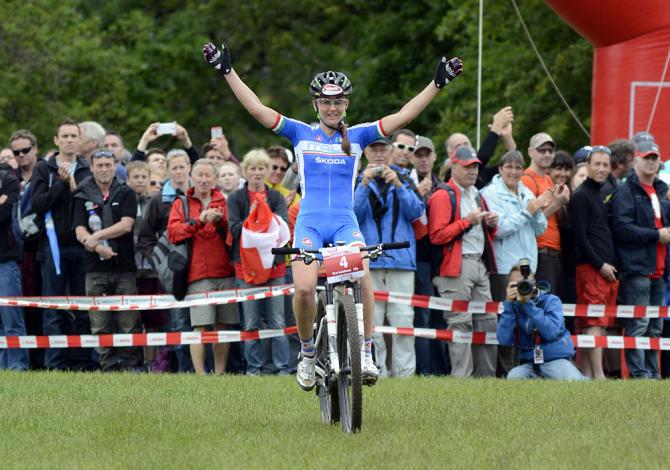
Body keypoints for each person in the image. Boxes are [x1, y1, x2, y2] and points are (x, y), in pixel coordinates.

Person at [203, 39, 463, 389]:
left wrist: (436, 84)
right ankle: (308, 353)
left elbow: (403, 116)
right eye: (326, 102)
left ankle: (366, 351)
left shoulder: (359, 135)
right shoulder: (300, 132)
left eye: (338, 102)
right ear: (316, 104)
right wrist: (228, 71)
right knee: (304, 290)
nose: (331, 108)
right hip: (310, 223)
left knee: (363, 277)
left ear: (346, 104)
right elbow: (257, 110)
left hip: (343, 223)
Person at [354, 137, 424, 377]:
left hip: (400, 260)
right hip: (369, 260)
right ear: (365, 153)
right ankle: (377, 371)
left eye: (383, 149)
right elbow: (351, 215)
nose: (379, 154)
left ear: (390, 151)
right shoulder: (356, 180)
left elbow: (416, 211)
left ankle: (405, 375)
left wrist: (398, 185)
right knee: (371, 321)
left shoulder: (404, 178)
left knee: (403, 320)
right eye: (373, 149)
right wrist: (364, 185)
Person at [428, 146, 499, 378]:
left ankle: (485, 379)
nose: (473, 171)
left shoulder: (477, 194)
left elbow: (485, 235)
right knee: (460, 323)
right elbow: (436, 236)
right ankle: (463, 379)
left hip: (479, 263)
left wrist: (491, 224)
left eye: (475, 166)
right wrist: (467, 222)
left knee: (487, 321)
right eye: (468, 166)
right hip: (455, 267)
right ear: (454, 167)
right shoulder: (443, 195)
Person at [31, 119, 93, 371]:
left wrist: (73, 185)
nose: (69, 140)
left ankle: (82, 362)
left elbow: (90, 204)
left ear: (79, 140)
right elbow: (37, 205)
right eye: (64, 136)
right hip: (51, 247)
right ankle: (55, 363)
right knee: (53, 308)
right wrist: (59, 182)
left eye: (73, 136)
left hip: (82, 247)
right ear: (56, 140)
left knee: (82, 308)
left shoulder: (87, 169)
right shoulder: (43, 168)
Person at [167, 159, 238, 375]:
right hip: (197, 274)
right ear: (192, 177)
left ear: (215, 179)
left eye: (208, 175)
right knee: (200, 326)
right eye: (200, 175)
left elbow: (234, 235)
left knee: (223, 326)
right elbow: (173, 234)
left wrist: (220, 222)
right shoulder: (182, 203)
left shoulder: (225, 201)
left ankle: (220, 373)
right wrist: (199, 220)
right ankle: (200, 375)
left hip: (225, 272)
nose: (204, 180)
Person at [72, 148, 141, 371]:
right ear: (92, 168)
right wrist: (96, 246)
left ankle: (131, 367)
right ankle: (107, 368)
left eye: (108, 165)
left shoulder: (126, 192)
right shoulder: (82, 194)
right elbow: (79, 229)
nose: (104, 169)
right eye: (99, 165)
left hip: (124, 268)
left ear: (115, 167)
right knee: (100, 324)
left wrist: (96, 237)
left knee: (129, 323)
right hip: (94, 269)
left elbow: (126, 225)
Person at [480, 150, 548, 376]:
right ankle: (505, 371)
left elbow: (541, 228)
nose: (514, 172)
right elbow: (500, 230)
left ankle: (524, 367)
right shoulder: (489, 193)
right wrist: (528, 212)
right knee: (506, 319)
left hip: (528, 266)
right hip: (505, 267)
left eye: (518, 167)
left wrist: (536, 211)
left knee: (526, 318)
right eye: (509, 167)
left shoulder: (525, 190)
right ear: (500, 169)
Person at [227, 149, 291, 375]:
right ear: (245, 171)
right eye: (252, 168)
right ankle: (254, 370)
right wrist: (252, 218)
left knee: (277, 321)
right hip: (246, 269)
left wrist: (264, 216)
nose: (257, 173)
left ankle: (282, 369)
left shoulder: (276, 198)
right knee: (251, 322)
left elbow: (283, 228)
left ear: (267, 171)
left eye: (261, 168)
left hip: (275, 268)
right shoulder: (236, 198)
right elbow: (234, 229)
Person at [609, 140, 669, 379]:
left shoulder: (661, 191)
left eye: (654, 158)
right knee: (639, 324)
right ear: (635, 161)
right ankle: (640, 375)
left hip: (659, 270)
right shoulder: (625, 192)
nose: (651, 162)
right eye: (646, 157)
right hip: (637, 270)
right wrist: (656, 235)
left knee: (655, 326)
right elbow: (622, 229)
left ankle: (651, 374)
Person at [138, 149, 194, 372]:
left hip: (199, 267)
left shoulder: (199, 194)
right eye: (174, 168)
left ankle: (200, 369)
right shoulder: (159, 200)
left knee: (200, 322)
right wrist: (158, 263)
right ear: (167, 171)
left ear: (189, 167)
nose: (179, 171)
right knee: (178, 322)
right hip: (173, 271)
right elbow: (145, 237)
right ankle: (181, 369)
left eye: (182, 167)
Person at [569, 146, 618, 379]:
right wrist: (600, 264)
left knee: (600, 321)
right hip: (592, 269)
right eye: (597, 164)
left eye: (605, 165)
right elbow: (580, 237)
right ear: (587, 166)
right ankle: (599, 375)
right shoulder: (580, 196)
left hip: (604, 269)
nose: (601, 169)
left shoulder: (600, 193)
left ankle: (588, 373)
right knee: (594, 321)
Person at [497, 262, 586, 380]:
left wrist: (528, 305)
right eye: (515, 285)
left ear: (534, 285)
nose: (521, 288)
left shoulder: (551, 301)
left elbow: (551, 332)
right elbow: (503, 340)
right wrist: (508, 305)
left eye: (524, 284)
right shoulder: (513, 307)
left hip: (555, 359)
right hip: (530, 363)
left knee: (569, 379)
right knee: (513, 377)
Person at [410, 135, 450, 375]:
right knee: (421, 317)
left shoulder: (442, 186)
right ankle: (423, 370)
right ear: (412, 158)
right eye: (419, 155)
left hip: (440, 261)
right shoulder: (406, 182)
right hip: (417, 260)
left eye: (427, 155)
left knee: (439, 316)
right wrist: (416, 194)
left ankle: (440, 370)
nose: (423, 160)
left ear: (435, 157)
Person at [520, 133, 569, 294]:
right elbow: (530, 222)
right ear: (531, 152)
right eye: (542, 150)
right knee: (543, 301)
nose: (547, 154)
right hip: (540, 250)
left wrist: (562, 202)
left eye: (550, 150)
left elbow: (558, 220)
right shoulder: (526, 179)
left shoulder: (548, 179)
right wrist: (557, 204)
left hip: (553, 250)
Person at [442, 106, 516, 188]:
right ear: (450, 154)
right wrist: (496, 127)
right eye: (458, 146)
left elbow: (508, 166)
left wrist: (507, 138)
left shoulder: (482, 171)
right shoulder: (451, 174)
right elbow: (483, 157)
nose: (464, 148)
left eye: (466, 144)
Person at [0, 163, 29, 370]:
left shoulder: (8, 180)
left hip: (6, 261)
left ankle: (18, 367)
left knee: (12, 319)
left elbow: (4, 214)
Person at [132, 123, 200, 165]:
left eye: (164, 160)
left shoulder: (176, 181)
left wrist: (186, 141)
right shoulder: (142, 182)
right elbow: (134, 168)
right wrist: (144, 140)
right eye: (156, 160)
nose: (161, 162)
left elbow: (196, 165)